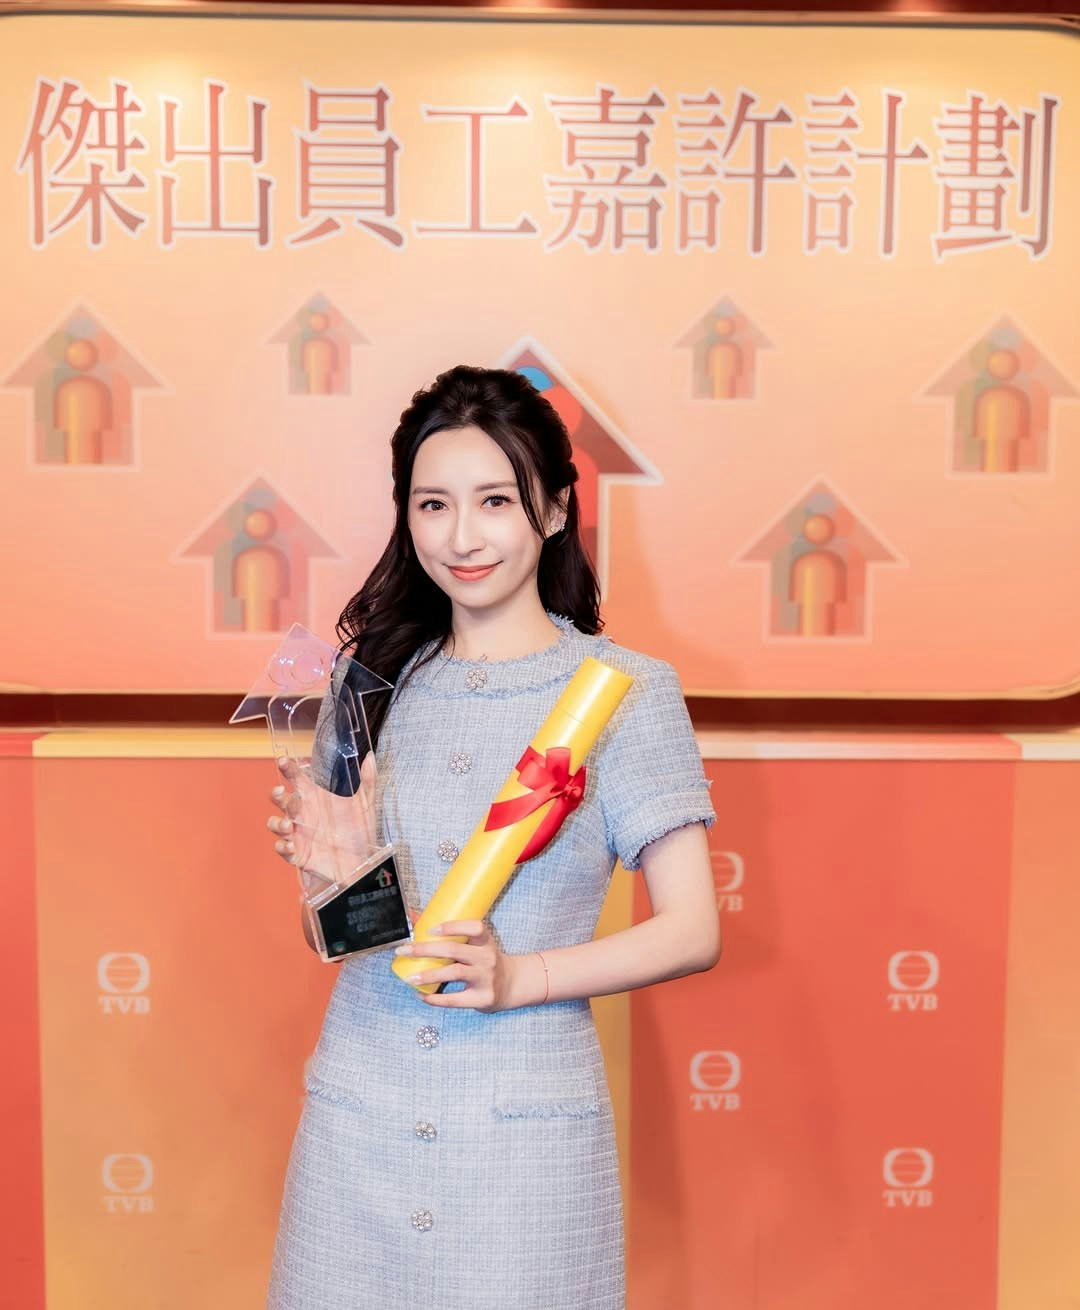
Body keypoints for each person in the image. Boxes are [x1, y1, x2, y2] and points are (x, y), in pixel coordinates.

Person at [263, 364, 720, 1310]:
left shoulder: (624, 691)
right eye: (433, 504)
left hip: (525, 1143)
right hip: (360, 1123)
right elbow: (338, 942)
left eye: (496, 501)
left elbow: (693, 930)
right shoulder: (367, 681)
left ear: (553, 509)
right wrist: (343, 884)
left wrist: (521, 979)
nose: (461, 537)